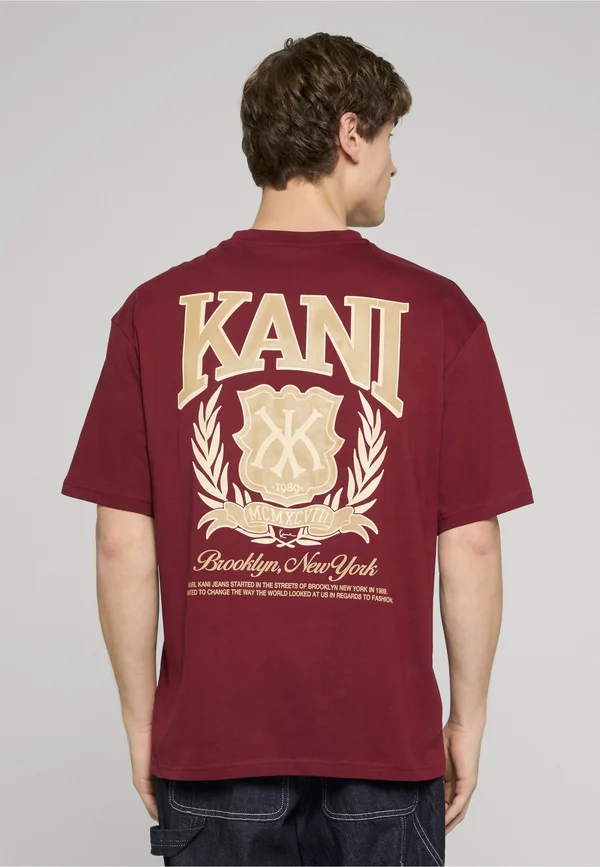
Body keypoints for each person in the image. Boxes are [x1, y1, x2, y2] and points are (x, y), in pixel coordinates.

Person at [61, 32, 534, 867]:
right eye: (389, 138)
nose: (394, 164)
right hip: (385, 749)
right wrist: (467, 716)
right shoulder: (441, 315)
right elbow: (471, 542)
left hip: (213, 746)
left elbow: (120, 542)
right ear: (351, 134)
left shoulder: (153, 312)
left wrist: (142, 722)